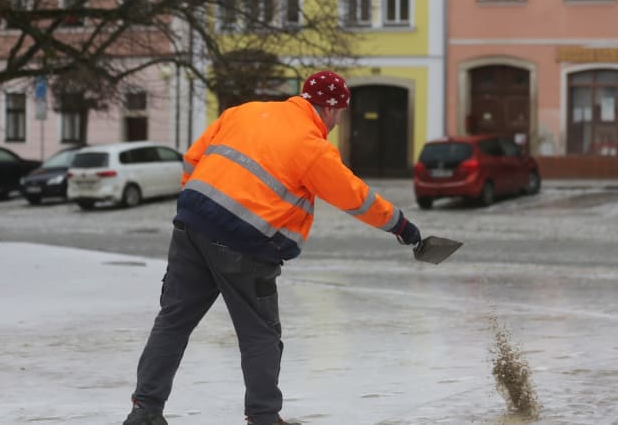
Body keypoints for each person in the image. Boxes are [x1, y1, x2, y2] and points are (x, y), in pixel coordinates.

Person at [123, 70, 421, 425]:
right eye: (340, 113)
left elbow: (192, 158)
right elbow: (355, 197)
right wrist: (400, 225)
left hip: (190, 226)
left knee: (173, 321)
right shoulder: (311, 146)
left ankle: (144, 410)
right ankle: (264, 417)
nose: (338, 122)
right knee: (259, 333)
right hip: (244, 244)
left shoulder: (243, 112)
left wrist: (199, 205)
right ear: (329, 108)